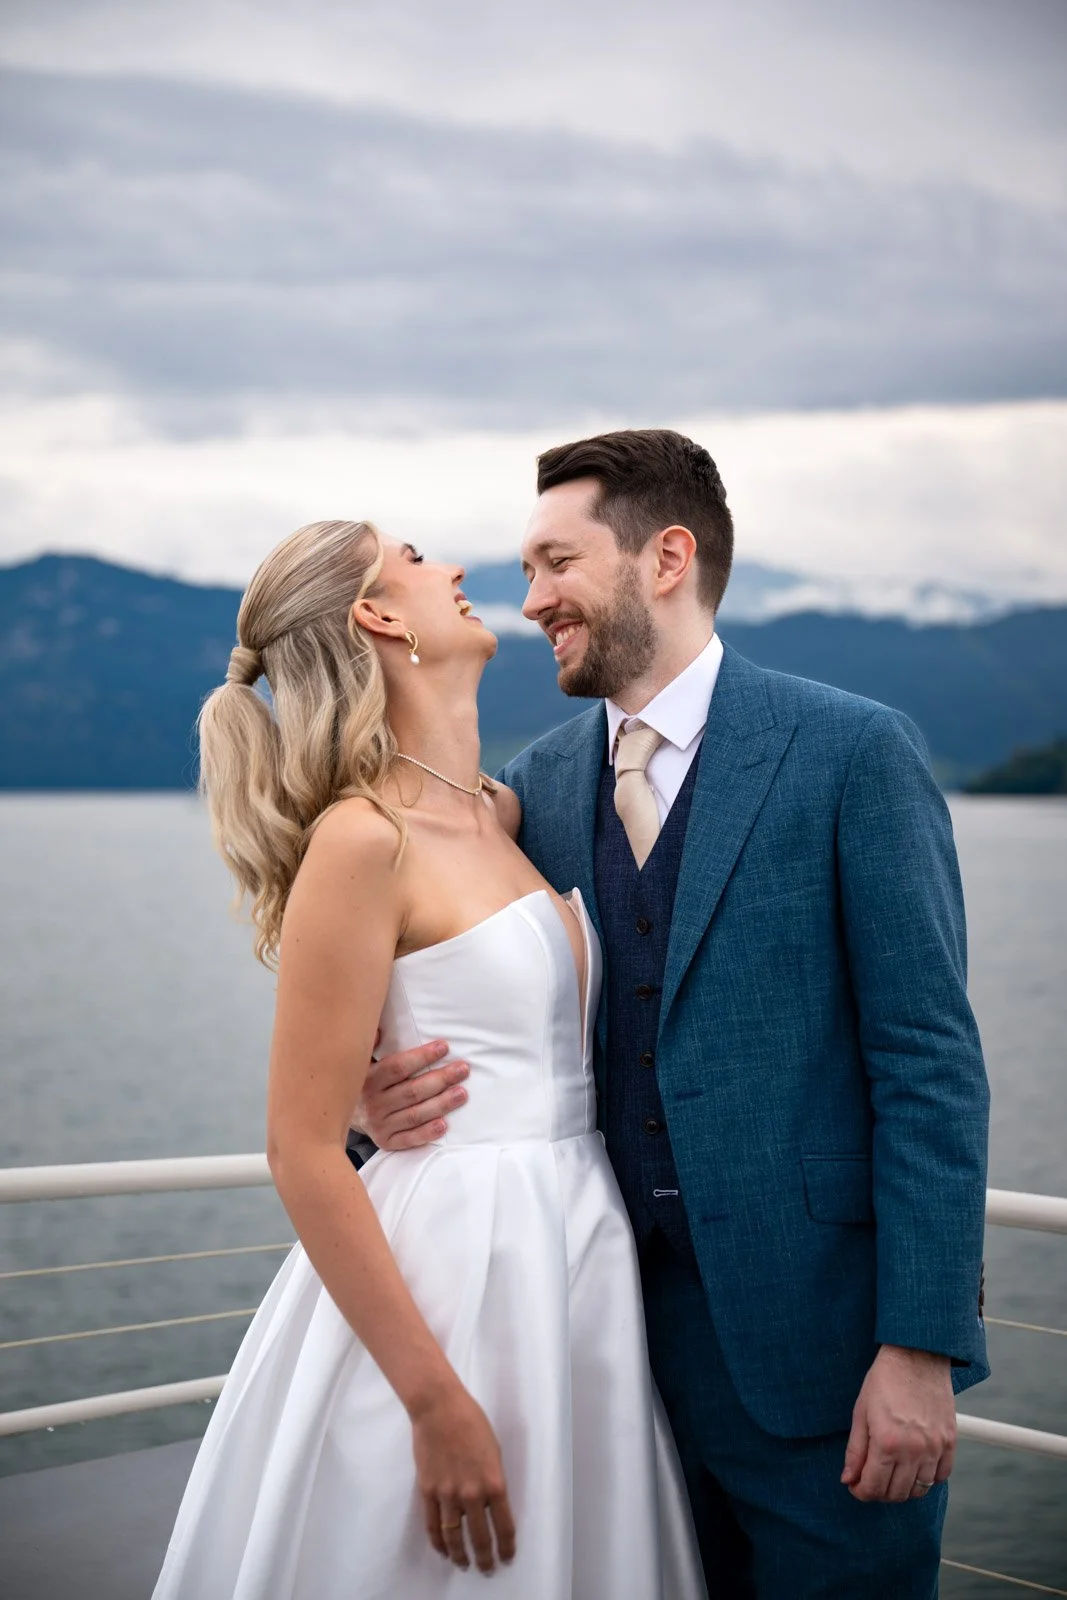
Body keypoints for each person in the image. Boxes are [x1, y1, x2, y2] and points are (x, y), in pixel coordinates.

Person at [355, 431, 991, 1599]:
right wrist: (370, 1098)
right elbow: (438, 982)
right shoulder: (534, 786)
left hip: (825, 1369)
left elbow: (927, 1066)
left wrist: (919, 1348)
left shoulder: (851, 751)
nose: (532, 597)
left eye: (556, 561)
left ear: (665, 558)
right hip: (594, 1365)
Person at [153, 518, 707, 1600]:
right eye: (415, 557)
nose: (453, 569)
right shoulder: (362, 841)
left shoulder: (500, 812)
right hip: (450, 1268)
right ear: (377, 615)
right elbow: (302, 1146)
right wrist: (433, 1401)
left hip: (573, 1248)